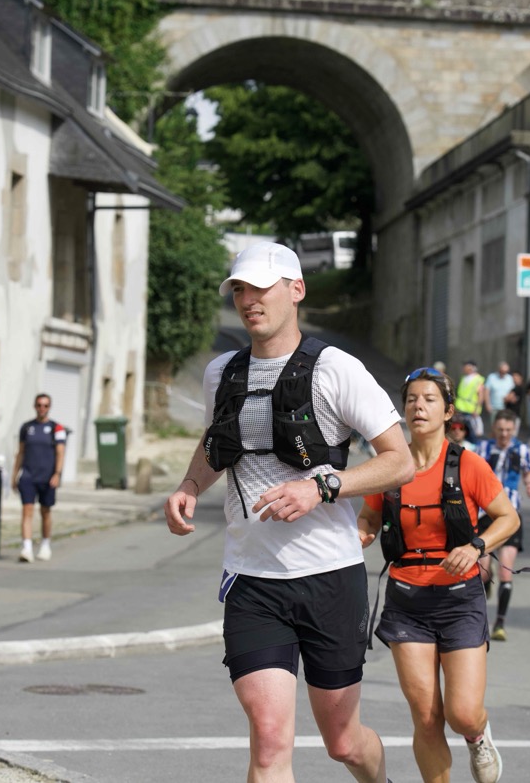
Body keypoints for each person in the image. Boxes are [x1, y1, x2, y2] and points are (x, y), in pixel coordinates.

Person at [163, 242, 414, 783]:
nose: (248, 300)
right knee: (270, 742)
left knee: (343, 743)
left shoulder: (336, 369)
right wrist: (190, 484)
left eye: (260, 287)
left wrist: (322, 487)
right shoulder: (222, 373)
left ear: (296, 290)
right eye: (239, 290)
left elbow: (400, 462)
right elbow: (215, 440)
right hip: (253, 581)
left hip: (329, 576)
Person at [358, 368, 519, 783]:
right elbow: (369, 516)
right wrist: (361, 532)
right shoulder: (388, 466)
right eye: (411, 399)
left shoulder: (469, 465)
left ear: (448, 411)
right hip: (406, 601)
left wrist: (475, 547)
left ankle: (477, 736)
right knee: (427, 717)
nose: (418, 407)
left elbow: (509, 518)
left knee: (462, 713)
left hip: (459, 600)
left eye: (429, 399)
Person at [474, 410, 530, 642]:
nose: (504, 434)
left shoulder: (522, 449)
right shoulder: (482, 449)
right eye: (500, 430)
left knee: (506, 569)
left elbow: (528, 472)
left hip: (511, 514)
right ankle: (481, 616)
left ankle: (499, 623)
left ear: (514, 430)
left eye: (508, 430)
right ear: (494, 429)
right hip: (485, 513)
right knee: (482, 570)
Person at [12, 393, 67, 562]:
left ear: (49, 407)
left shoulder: (57, 428)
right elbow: (21, 452)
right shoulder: (26, 428)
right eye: (39, 405)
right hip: (28, 475)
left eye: (45, 405)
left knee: (45, 511)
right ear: (34, 406)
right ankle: (27, 548)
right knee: (27, 510)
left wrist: (57, 474)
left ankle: (45, 544)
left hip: (47, 477)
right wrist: (15, 474)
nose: (42, 408)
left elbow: (60, 453)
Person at [453, 360, 486, 438]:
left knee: (471, 431)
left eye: (466, 367)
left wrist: (477, 409)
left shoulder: (478, 379)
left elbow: (480, 395)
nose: (464, 369)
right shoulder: (464, 378)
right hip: (460, 408)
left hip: (471, 410)